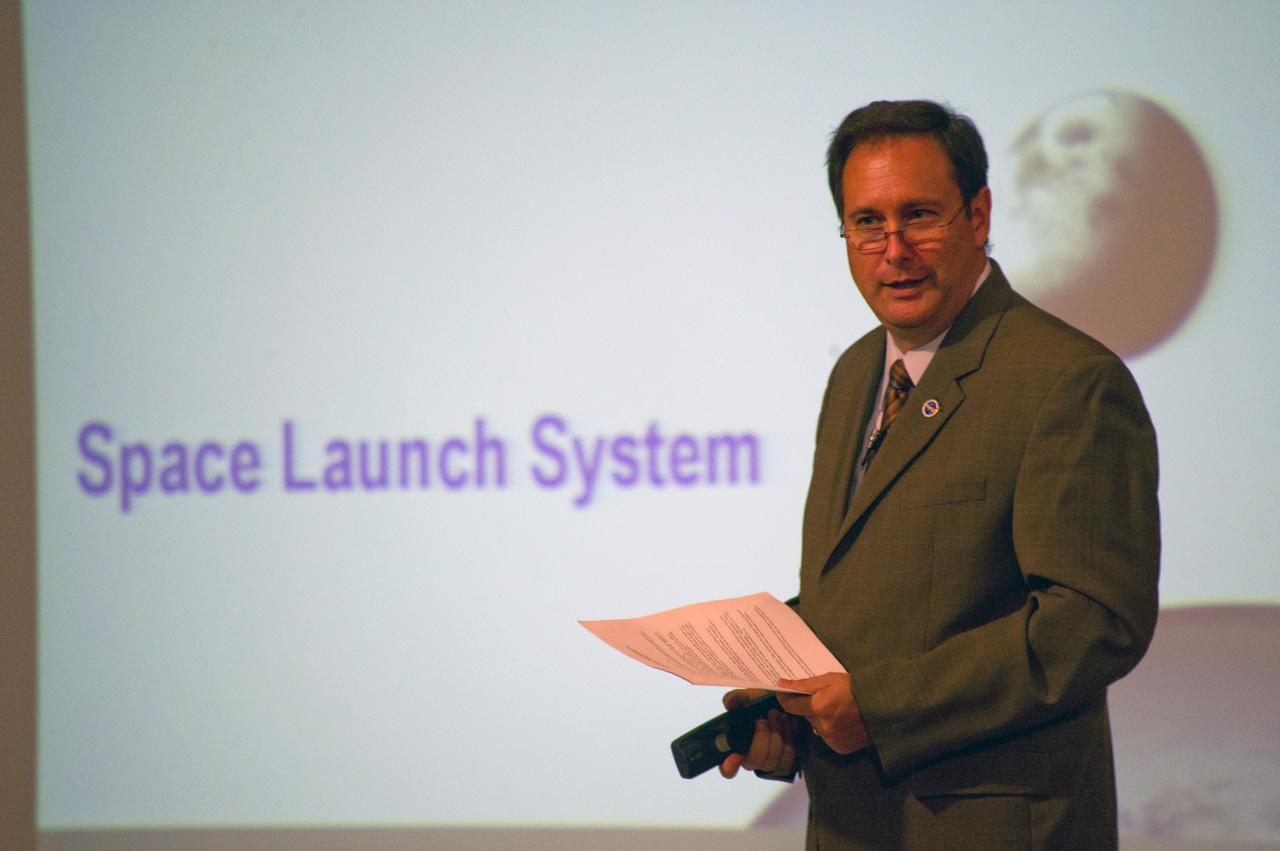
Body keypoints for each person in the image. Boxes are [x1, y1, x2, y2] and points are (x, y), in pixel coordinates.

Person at [718, 100, 1160, 850]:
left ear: (979, 214)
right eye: (866, 223)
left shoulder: (1070, 379)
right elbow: (878, 589)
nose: (894, 249)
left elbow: (1093, 622)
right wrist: (789, 705)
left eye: (919, 215)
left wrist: (882, 706)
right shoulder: (856, 371)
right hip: (855, 824)